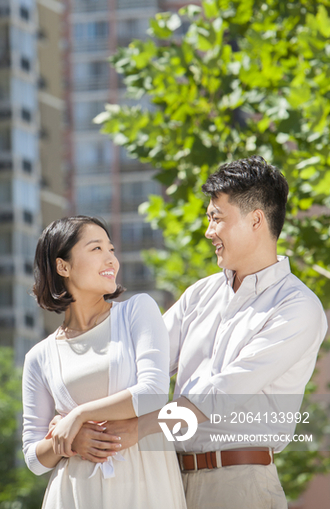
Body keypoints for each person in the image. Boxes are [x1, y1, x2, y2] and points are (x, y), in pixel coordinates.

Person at [71, 156, 328, 509]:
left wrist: (138, 427)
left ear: (256, 220)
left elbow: (222, 393)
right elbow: (138, 360)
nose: (209, 232)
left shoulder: (297, 306)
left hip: (239, 485)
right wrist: (74, 408)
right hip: (168, 482)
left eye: (216, 218)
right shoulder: (201, 294)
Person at [21, 215, 187, 509]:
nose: (111, 260)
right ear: (63, 266)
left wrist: (77, 416)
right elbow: (34, 458)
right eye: (96, 249)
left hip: (145, 485)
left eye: (111, 250)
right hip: (75, 494)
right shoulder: (40, 356)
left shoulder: (137, 311)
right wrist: (72, 441)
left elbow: (153, 393)